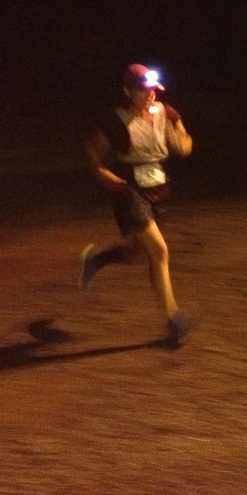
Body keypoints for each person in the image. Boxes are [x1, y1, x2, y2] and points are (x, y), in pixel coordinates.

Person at [79, 63, 194, 345]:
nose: (150, 94)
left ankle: (97, 258)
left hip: (158, 188)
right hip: (128, 190)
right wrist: (101, 172)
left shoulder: (165, 112)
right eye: (143, 90)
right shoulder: (116, 122)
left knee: (136, 254)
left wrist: (181, 143)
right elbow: (91, 149)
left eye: (153, 89)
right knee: (159, 252)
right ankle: (174, 318)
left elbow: (186, 142)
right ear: (127, 91)